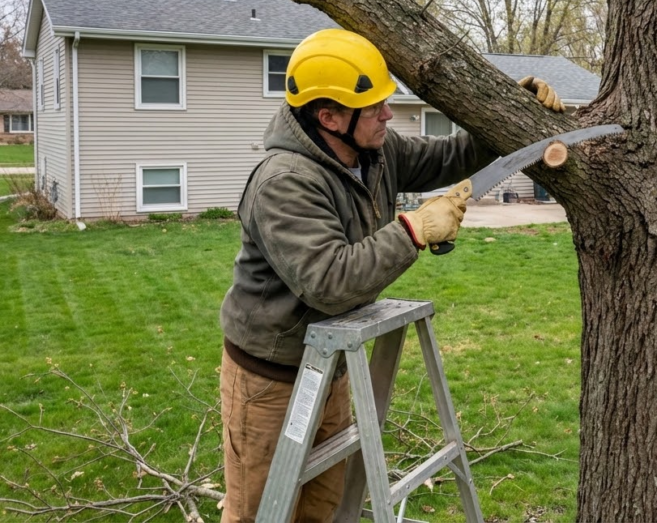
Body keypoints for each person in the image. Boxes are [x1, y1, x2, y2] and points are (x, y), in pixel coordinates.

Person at [218, 28, 564, 522]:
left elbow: (449, 157)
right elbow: (330, 282)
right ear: (330, 117)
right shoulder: (284, 182)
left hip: (328, 365)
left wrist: (508, 111)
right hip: (270, 381)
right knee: (259, 512)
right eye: (375, 107)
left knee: (321, 508)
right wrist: (413, 230)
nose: (388, 114)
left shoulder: (374, 153)